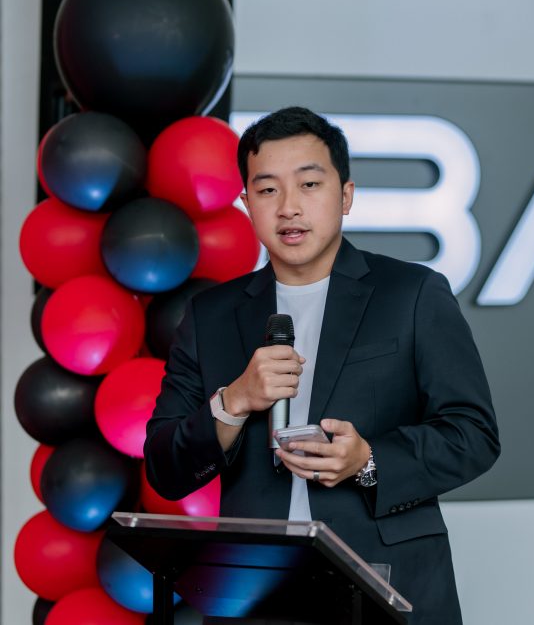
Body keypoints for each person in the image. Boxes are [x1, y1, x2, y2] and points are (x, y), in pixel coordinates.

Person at [144, 106, 500, 624]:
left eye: (309, 185)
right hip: (257, 597)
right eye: (268, 190)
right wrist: (234, 402)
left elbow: (473, 434)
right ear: (246, 203)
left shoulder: (412, 294)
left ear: (345, 195)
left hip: (385, 587)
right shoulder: (210, 316)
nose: (289, 207)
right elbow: (164, 468)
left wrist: (369, 460)